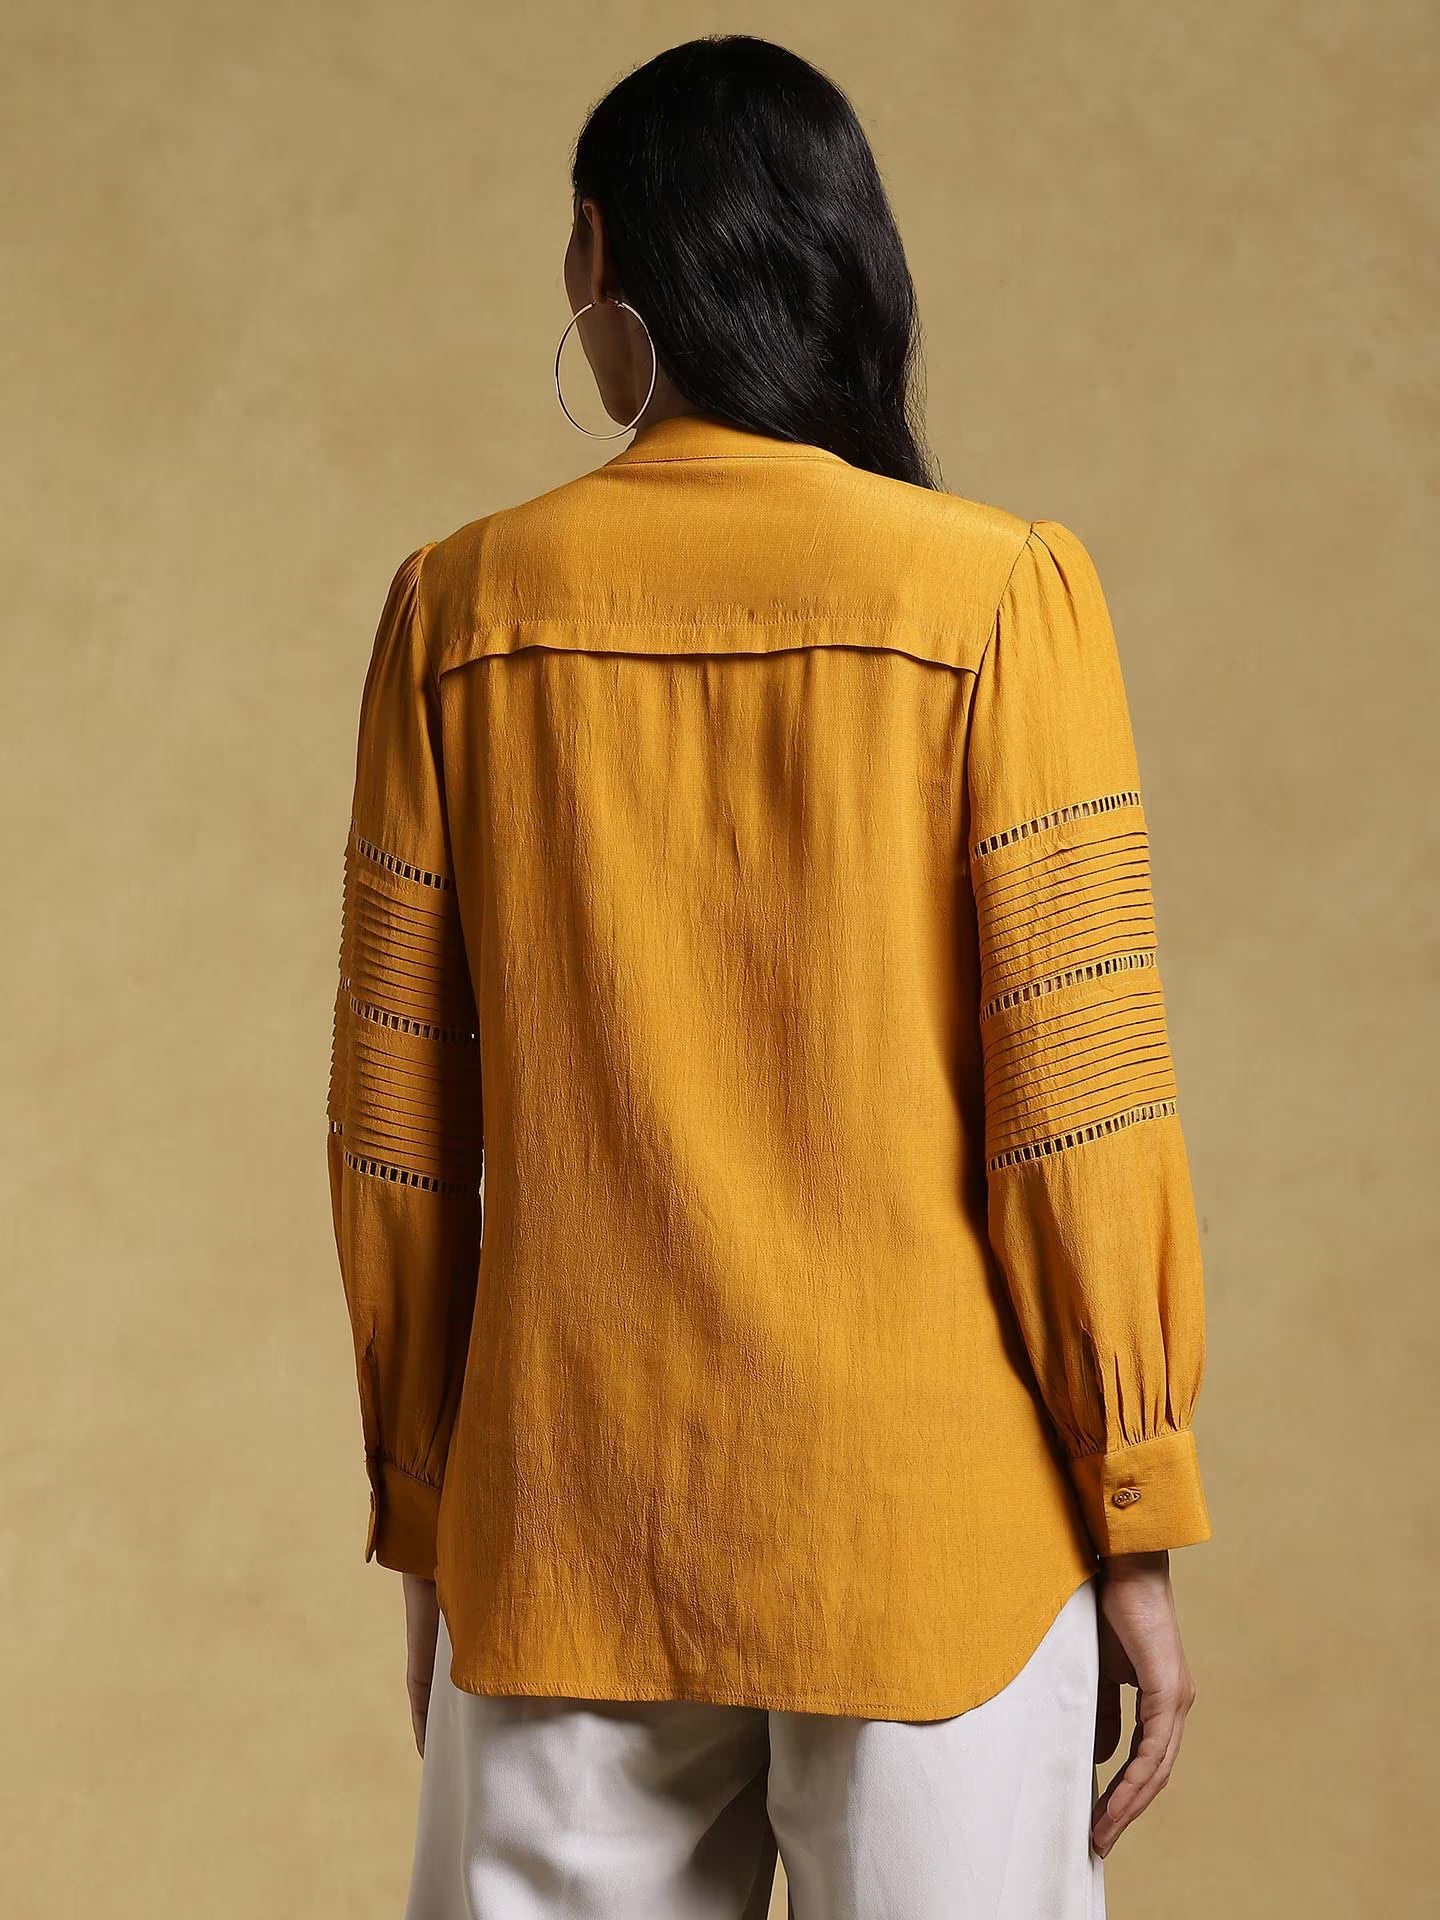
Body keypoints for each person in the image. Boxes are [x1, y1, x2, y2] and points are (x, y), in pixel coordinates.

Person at [325, 33, 1212, 1920]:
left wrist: (431, 1519)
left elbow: (397, 1126)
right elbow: (1086, 1101)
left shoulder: (462, 610)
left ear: (596, 262)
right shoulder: (995, 599)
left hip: (563, 1525)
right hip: (939, 1534)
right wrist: (1132, 1506)